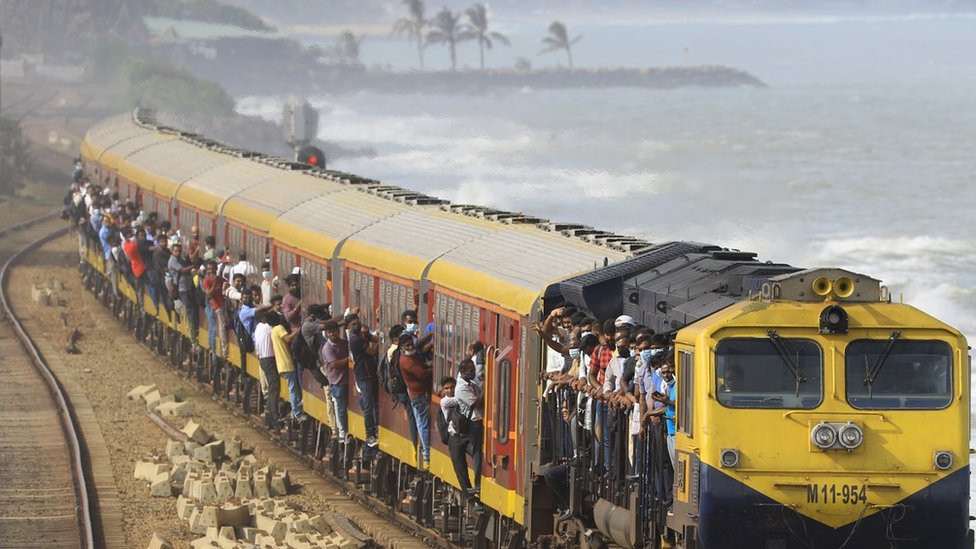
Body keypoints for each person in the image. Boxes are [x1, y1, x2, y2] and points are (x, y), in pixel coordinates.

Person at [399, 332, 433, 467]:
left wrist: (430, 333)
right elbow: (421, 374)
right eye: (408, 345)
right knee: (423, 423)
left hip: (415, 394)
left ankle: (425, 451)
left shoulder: (410, 357)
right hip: (418, 395)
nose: (411, 347)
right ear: (402, 347)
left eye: (411, 344)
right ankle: (427, 452)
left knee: (420, 423)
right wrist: (433, 368)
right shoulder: (406, 361)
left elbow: (418, 346)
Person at [348, 313, 380, 447]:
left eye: (357, 323)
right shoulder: (355, 339)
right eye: (353, 324)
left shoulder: (361, 335)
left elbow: (375, 338)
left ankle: (374, 428)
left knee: (371, 403)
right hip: (363, 375)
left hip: (370, 373)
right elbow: (372, 351)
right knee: (368, 406)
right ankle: (370, 434)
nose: (356, 326)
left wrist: (374, 334)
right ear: (349, 326)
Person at [454, 358, 484, 492]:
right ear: (462, 372)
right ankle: (477, 482)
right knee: (477, 452)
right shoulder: (461, 388)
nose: (473, 373)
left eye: (473, 370)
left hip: (477, 421)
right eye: (470, 371)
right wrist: (486, 388)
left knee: (478, 450)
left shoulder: (470, 384)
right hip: (473, 423)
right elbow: (477, 403)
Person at [270, 312, 305, 422]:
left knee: (293, 388)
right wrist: (299, 330)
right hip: (286, 363)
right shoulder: (279, 328)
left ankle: (295, 411)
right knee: (293, 389)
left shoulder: (273, 330)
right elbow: (288, 339)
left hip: (282, 364)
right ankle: (297, 413)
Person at [321, 320, 350, 440]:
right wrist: (349, 359)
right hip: (337, 382)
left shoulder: (344, 343)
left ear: (338, 331)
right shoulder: (327, 348)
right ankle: (342, 433)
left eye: (334, 331)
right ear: (326, 334)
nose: (333, 334)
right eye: (330, 332)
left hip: (347, 380)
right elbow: (335, 364)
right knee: (340, 408)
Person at [253, 309, 280, 427]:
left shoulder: (258, 327)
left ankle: (269, 413)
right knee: (274, 388)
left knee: (271, 389)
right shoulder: (271, 329)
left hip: (262, 359)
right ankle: (274, 417)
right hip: (269, 360)